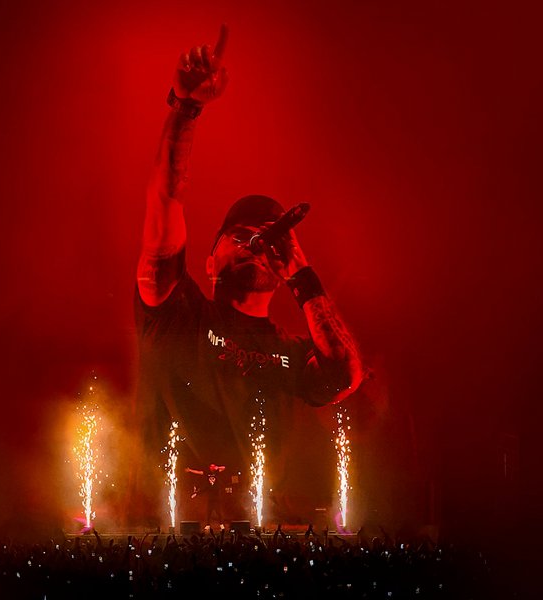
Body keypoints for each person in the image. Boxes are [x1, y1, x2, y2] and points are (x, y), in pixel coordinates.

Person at [130, 24, 366, 528]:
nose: (255, 244)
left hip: (257, 529)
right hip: (168, 530)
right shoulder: (177, 313)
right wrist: (186, 107)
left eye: (265, 237)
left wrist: (299, 267)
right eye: (239, 235)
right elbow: (165, 198)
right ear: (209, 260)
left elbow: (345, 376)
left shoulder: (288, 352)